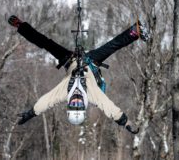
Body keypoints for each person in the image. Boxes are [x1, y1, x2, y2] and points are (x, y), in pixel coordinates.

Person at [8, 15, 149, 134]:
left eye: (73, 103)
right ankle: (135, 31)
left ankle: (20, 25)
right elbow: (110, 108)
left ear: (69, 104)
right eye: (79, 104)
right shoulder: (92, 94)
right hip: (90, 62)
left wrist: (30, 113)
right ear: (84, 105)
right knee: (111, 47)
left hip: (69, 60)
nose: (76, 99)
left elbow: (46, 101)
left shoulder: (64, 91)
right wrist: (126, 122)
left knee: (46, 43)